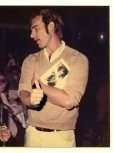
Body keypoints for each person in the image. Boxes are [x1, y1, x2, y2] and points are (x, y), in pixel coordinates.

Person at [18, 9, 89, 147]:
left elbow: (69, 100)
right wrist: (31, 100)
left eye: (36, 29)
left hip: (62, 138)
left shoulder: (77, 59)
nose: (32, 35)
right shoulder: (31, 59)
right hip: (33, 136)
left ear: (50, 27)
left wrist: (38, 85)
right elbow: (23, 92)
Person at [0, 71, 26, 146]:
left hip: (10, 125)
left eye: (2, 81)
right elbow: (11, 110)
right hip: (2, 129)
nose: (0, 83)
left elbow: (12, 109)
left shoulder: (4, 94)